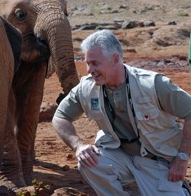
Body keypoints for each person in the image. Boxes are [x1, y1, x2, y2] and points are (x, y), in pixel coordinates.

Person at [52, 29, 191, 195]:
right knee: (89, 162)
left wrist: (182, 160)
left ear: (115, 59)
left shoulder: (153, 84)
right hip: (118, 155)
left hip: (156, 160)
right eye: (87, 63)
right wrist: (78, 145)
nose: (89, 69)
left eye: (95, 63)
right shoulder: (86, 87)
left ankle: (179, 189)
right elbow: (60, 118)